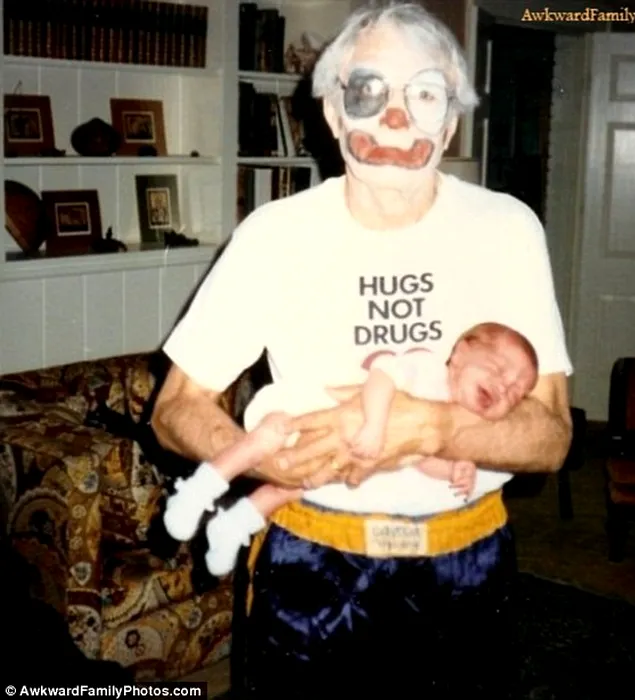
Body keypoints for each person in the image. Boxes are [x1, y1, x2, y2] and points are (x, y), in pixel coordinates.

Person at [151, 2, 573, 696]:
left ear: (451, 121)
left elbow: (552, 435)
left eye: (425, 95)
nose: (397, 119)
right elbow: (175, 408)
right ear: (332, 112)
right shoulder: (273, 234)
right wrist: (262, 457)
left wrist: (427, 425)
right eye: (370, 91)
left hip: (466, 565)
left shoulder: (508, 229)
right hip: (313, 565)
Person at [162, 321, 539, 576]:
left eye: (514, 393)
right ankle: (199, 489)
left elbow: (421, 459)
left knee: (296, 486)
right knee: (268, 438)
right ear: (460, 352)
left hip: (341, 456)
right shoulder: (427, 370)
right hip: (312, 411)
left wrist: (455, 469)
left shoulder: (457, 421)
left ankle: (232, 526)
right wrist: (374, 423)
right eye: (497, 369)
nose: (503, 387)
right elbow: (382, 377)